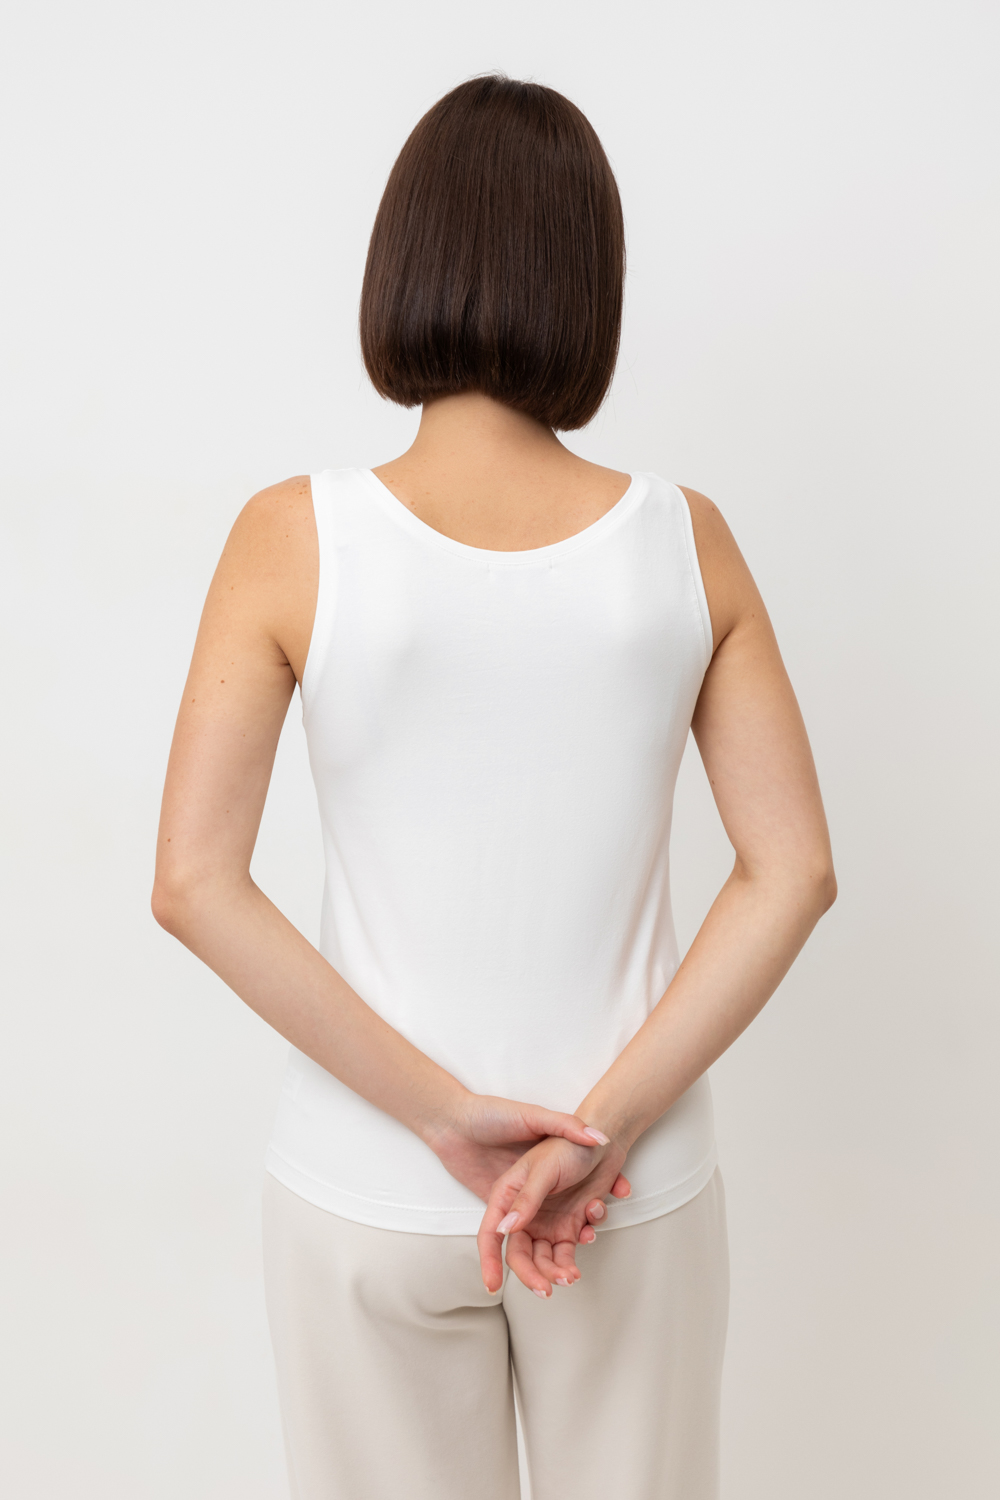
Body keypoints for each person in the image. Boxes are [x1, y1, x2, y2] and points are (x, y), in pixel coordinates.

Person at [152, 74, 836, 1500]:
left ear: (402, 261)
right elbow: (793, 871)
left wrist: (440, 1115)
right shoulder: (685, 541)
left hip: (368, 1183)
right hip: (628, 1191)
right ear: (590, 285)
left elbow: (194, 884)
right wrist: (608, 1126)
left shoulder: (291, 536)